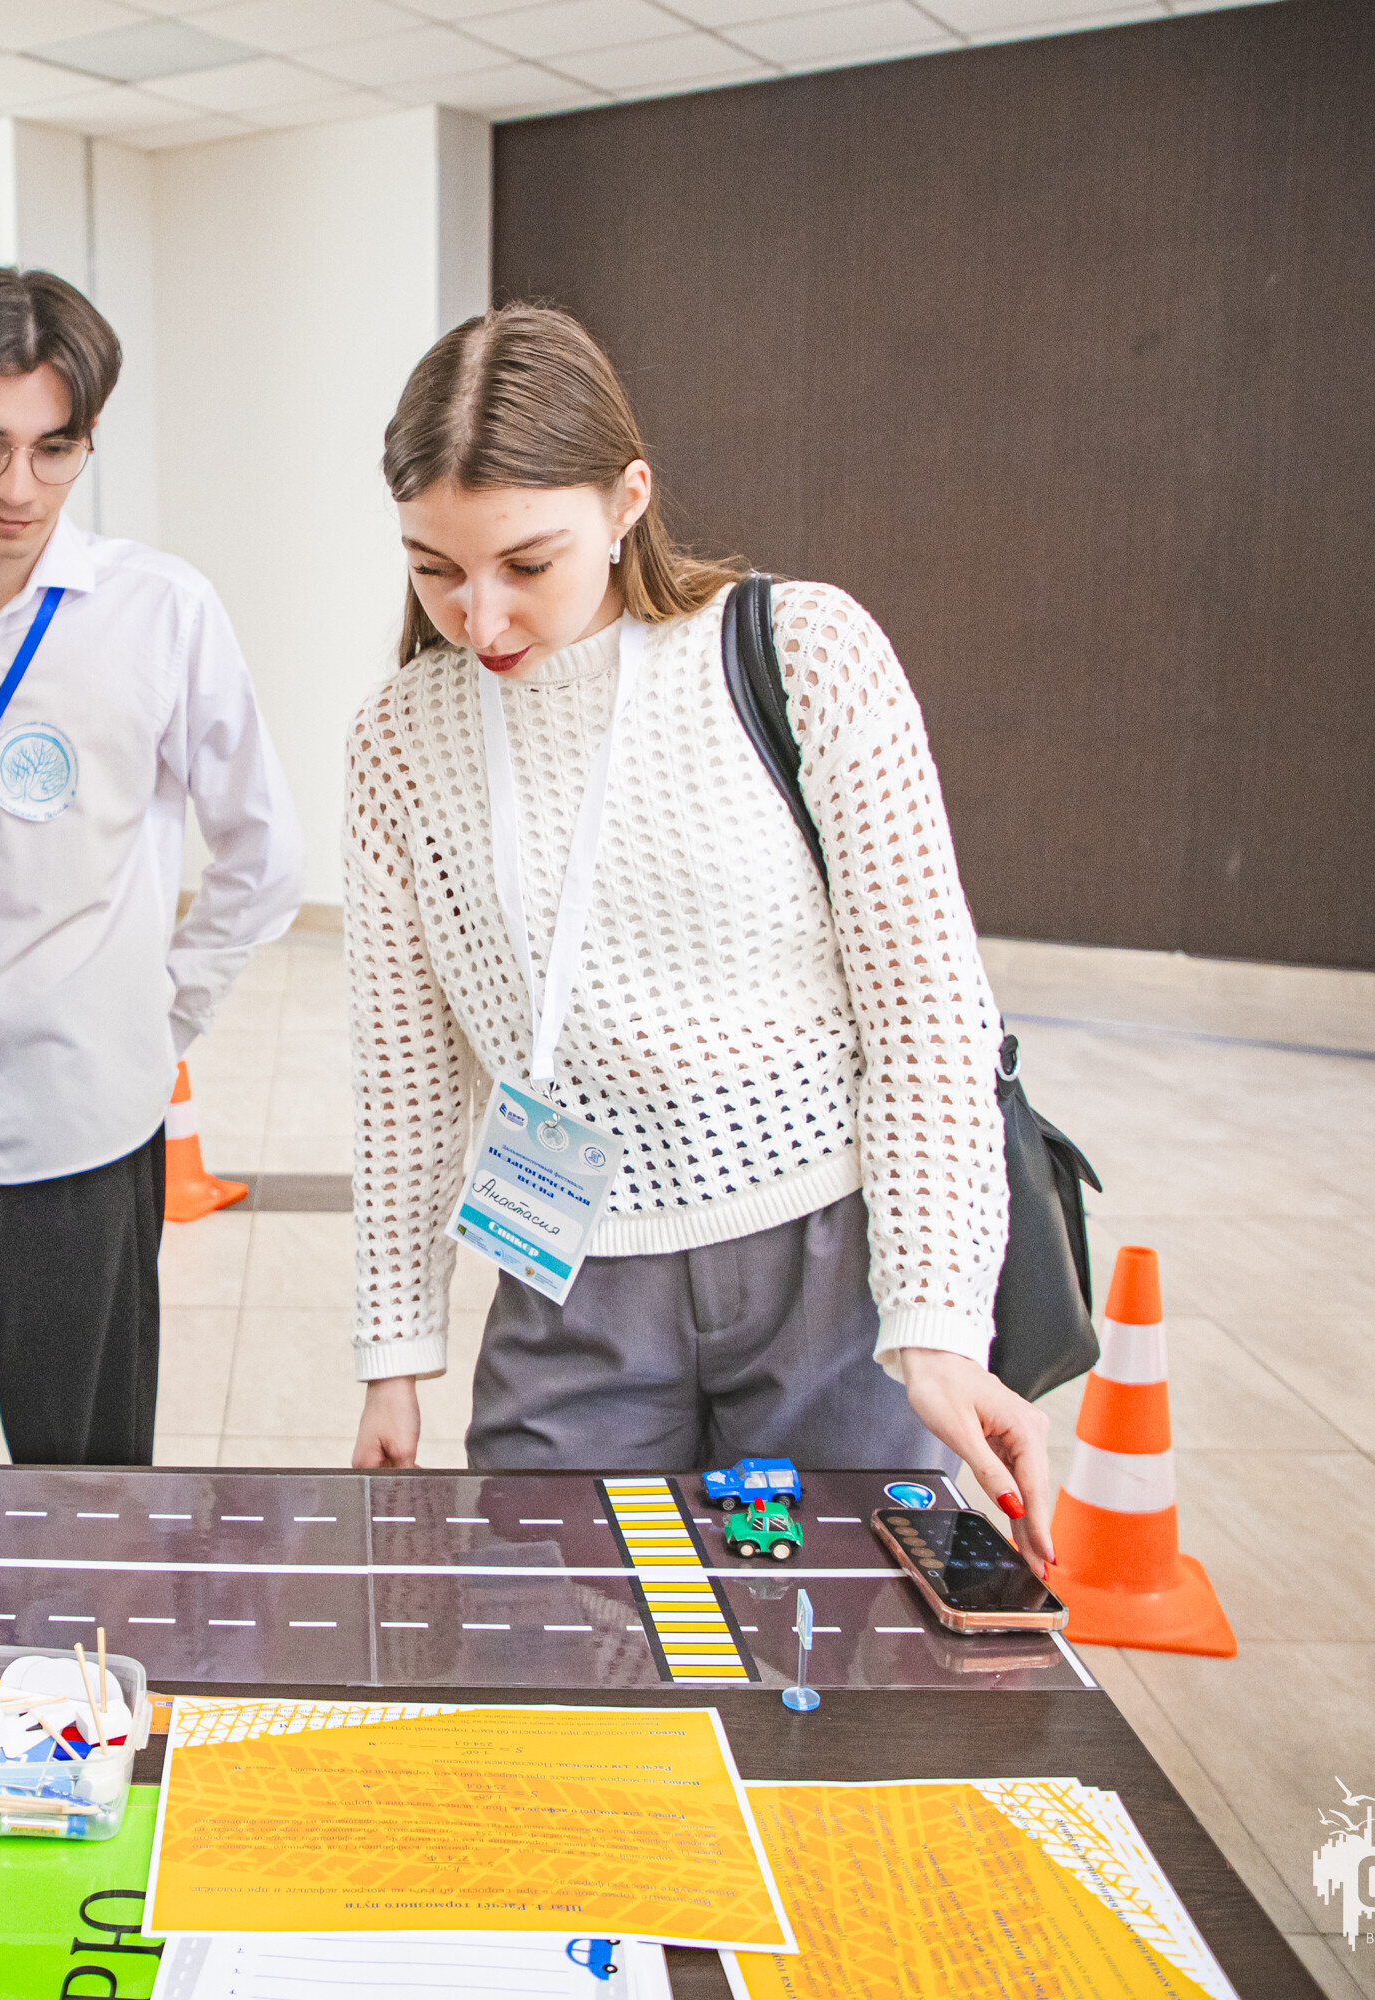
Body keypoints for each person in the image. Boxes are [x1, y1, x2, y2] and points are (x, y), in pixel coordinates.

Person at [344, 304, 1055, 1565]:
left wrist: (938, 1316)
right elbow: (409, 1073)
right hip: (566, 1268)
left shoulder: (804, 653)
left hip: (825, 1263)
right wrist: (395, 1351)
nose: (481, 618)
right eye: (435, 569)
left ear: (628, 499)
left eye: (527, 564)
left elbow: (926, 1013)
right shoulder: (400, 740)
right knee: (556, 1629)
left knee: (829, 1626)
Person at [0, 267, 301, 1467]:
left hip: (85, 1137)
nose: (18, 487)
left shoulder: (160, 611)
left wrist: (158, 1015)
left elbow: (263, 855)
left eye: (55, 448)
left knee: (90, 1493)